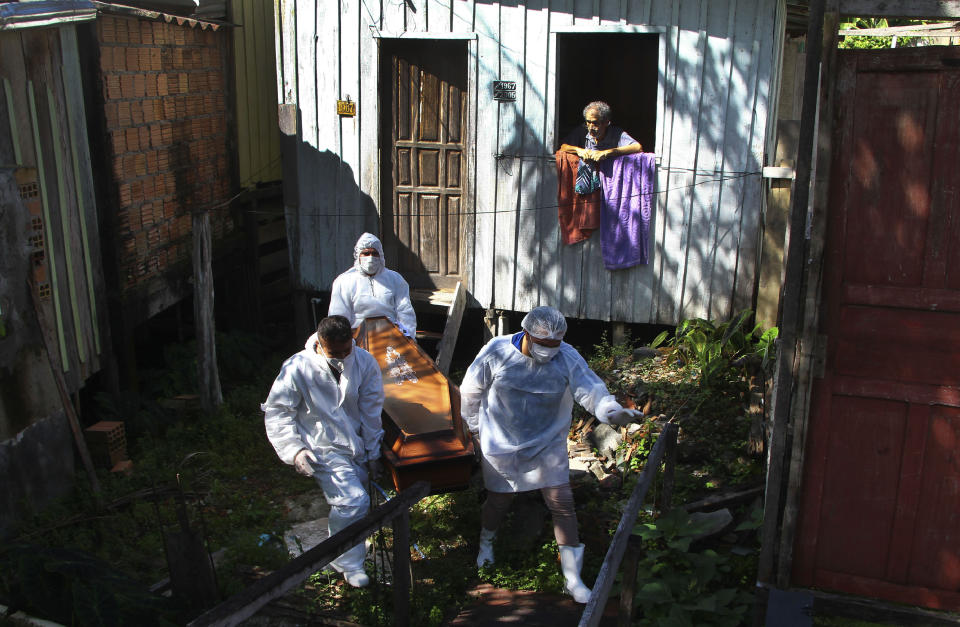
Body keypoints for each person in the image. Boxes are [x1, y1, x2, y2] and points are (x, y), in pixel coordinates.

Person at [459, 306, 642, 603]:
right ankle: (487, 545)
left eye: (554, 345)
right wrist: (474, 431)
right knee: (500, 499)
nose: (549, 350)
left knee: (562, 503)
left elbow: (591, 389)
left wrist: (612, 412)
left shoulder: (567, 356)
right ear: (527, 334)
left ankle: (572, 578)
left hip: (547, 442)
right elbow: (470, 391)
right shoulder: (496, 351)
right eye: (543, 344)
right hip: (501, 442)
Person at [262, 315, 385, 587]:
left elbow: (371, 411)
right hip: (321, 446)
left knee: (354, 505)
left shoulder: (364, 362)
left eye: (346, 350)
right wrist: (294, 450)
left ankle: (345, 547)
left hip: (355, 445)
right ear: (320, 343)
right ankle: (346, 561)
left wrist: (373, 452)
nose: (342, 356)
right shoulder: (297, 367)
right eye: (334, 352)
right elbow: (278, 412)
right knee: (352, 501)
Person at [329, 232, 417, 338]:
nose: (370, 258)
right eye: (366, 253)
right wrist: (345, 341)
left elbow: (405, 311)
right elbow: (338, 316)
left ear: (381, 256)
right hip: (356, 337)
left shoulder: (395, 279)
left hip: (391, 336)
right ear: (358, 256)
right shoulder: (344, 281)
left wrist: (407, 336)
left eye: (374, 253)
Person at [559, 100, 643, 163]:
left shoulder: (616, 133)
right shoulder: (582, 130)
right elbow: (563, 146)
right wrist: (579, 150)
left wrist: (606, 153)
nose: (591, 127)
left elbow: (637, 147)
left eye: (595, 123)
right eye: (588, 122)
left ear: (606, 123)